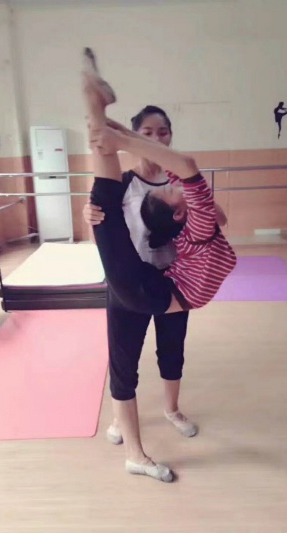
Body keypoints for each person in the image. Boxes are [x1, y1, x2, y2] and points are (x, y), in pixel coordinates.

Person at [82, 47, 236, 482]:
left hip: (165, 279)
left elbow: (207, 209)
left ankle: (169, 410)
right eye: (147, 132)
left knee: (170, 351)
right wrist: (90, 214)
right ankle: (124, 427)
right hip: (143, 281)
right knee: (123, 361)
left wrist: (111, 133)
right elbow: (107, 216)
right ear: (137, 135)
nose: (158, 138)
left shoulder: (179, 185)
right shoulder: (131, 183)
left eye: (163, 132)